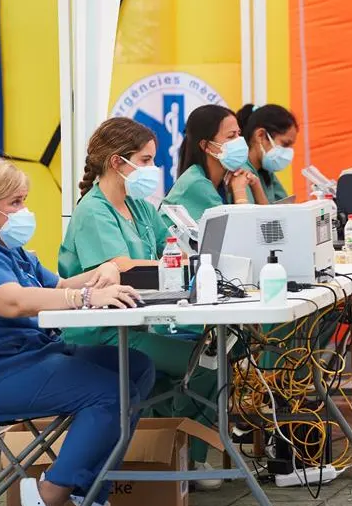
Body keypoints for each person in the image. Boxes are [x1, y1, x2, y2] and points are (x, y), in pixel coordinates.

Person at [0, 157, 154, 506]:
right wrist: (86, 296)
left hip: (29, 359)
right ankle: (51, 493)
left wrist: (103, 272)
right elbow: (12, 302)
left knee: (137, 367)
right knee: (110, 393)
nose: (24, 210)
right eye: (15, 202)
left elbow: (58, 284)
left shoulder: (3, 245)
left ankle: (87, 493)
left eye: (23, 200)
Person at [58, 117, 223, 490]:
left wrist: (192, 258)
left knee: (211, 347)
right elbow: (121, 267)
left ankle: (171, 455)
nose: (153, 169)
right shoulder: (93, 212)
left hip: (142, 323)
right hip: (102, 332)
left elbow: (177, 250)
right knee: (208, 363)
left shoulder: (141, 207)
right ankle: (184, 460)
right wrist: (178, 263)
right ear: (118, 162)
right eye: (146, 160)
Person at [161, 105, 265, 224]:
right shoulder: (197, 183)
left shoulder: (224, 179)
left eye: (239, 134)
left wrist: (256, 186)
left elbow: (269, 228)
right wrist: (239, 191)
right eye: (231, 136)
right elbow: (239, 233)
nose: (239, 140)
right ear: (206, 145)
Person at [235, 103, 298, 202]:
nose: (289, 152)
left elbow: (286, 207)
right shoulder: (241, 172)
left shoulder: (266, 172)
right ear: (261, 135)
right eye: (285, 144)